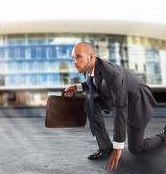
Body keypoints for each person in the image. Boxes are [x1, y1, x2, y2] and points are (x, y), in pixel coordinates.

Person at [64, 42, 166, 171]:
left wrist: (118, 148)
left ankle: (164, 136)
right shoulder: (88, 69)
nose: (74, 61)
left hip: (137, 100)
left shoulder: (111, 72)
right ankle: (106, 148)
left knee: (136, 149)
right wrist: (77, 87)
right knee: (91, 104)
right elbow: (95, 82)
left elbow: (120, 107)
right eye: (73, 58)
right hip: (116, 96)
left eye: (78, 56)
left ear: (91, 57)